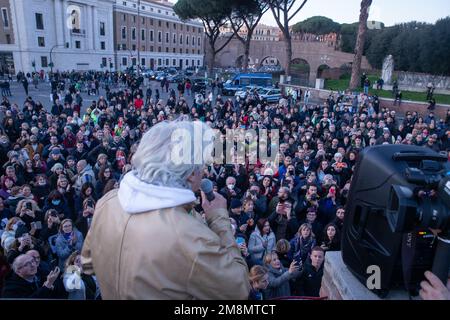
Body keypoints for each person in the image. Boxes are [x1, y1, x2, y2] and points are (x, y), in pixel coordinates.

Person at [81, 120, 250, 299]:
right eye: (202, 167)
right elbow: (238, 290)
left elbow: (88, 264)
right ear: (191, 174)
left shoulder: (108, 201)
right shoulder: (189, 235)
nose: (204, 173)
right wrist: (219, 219)